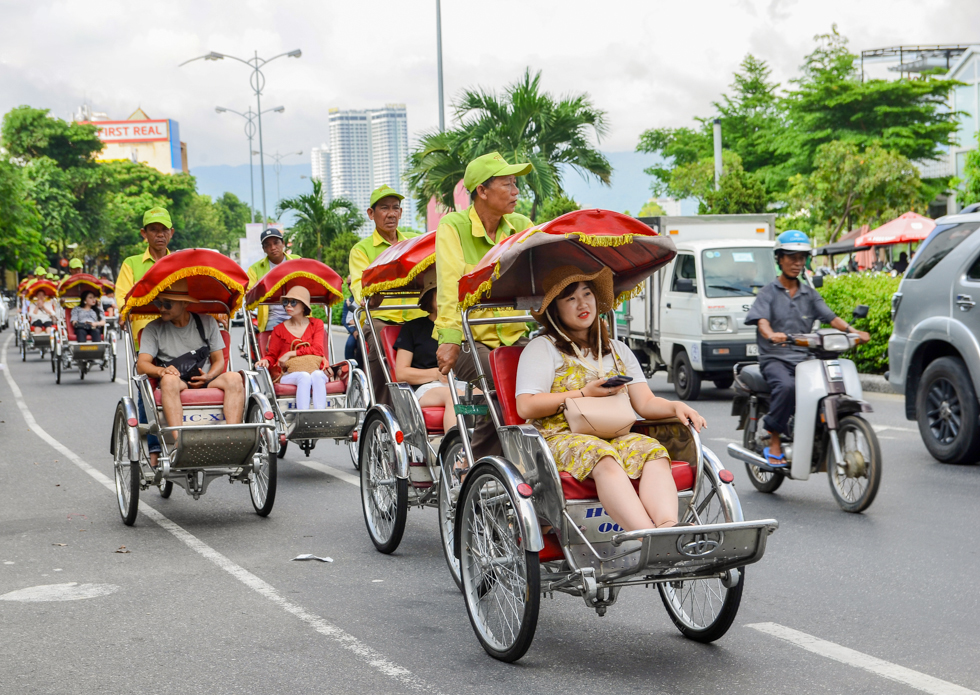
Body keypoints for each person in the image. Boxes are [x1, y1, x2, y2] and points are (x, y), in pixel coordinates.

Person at [515, 266, 706, 532]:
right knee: (603, 456)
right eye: (570, 298)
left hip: (614, 433)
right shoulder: (543, 348)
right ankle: (646, 538)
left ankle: (667, 530)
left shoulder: (618, 350)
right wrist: (583, 393)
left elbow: (645, 404)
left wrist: (676, 406)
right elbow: (526, 405)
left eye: (587, 293)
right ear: (554, 310)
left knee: (653, 451)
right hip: (557, 438)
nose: (582, 303)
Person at [435, 152, 536, 459]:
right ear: (482, 191)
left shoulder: (521, 224)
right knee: (502, 378)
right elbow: (451, 285)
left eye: (516, 183)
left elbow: (539, 277)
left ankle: (528, 458)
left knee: (548, 377)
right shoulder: (452, 226)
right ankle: (475, 463)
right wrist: (450, 340)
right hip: (469, 338)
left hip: (513, 336)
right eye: (508, 184)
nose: (517, 191)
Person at [745, 230, 870, 467]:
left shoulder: (809, 294)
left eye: (802, 258)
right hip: (775, 358)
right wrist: (772, 335)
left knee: (828, 387)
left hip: (804, 358)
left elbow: (832, 318)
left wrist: (854, 333)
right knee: (786, 386)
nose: (797, 263)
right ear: (779, 259)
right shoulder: (768, 293)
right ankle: (773, 439)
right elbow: (762, 322)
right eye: (791, 257)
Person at [137, 278, 243, 465]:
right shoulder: (153, 329)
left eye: (167, 304)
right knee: (168, 381)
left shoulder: (207, 322)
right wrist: (162, 371)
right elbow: (142, 364)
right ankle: (179, 442)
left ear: (184, 303)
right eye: (158, 303)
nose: (161, 308)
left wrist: (209, 376)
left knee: (235, 378)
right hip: (177, 379)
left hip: (207, 376)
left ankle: (231, 440)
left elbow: (218, 360)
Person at [348, 185, 424, 405]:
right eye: (384, 208)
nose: (391, 213)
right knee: (381, 340)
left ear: (400, 213)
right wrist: (369, 296)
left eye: (395, 208)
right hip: (381, 317)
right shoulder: (362, 249)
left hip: (416, 317)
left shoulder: (413, 241)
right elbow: (359, 286)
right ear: (371, 214)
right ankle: (381, 407)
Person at [393, 272, 478, 433]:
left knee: (485, 396)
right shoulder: (413, 328)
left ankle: (481, 447)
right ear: (430, 299)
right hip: (425, 388)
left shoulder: (463, 327)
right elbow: (401, 373)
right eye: (442, 294)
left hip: (459, 383)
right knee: (455, 396)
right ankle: (457, 452)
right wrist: (436, 374)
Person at [255, 286, 334, 410]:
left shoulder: (316, 324)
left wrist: (291, 353)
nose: (288, 306)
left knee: (317, 375)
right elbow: (272, 356)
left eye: (293, 302)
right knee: (304, 376)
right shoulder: (279, 330)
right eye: (286, 302)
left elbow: (318, 350)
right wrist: (265, 360)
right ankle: (304, 418)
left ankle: (320, 416)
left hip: (315, 368)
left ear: (304, 306)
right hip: (288, 373)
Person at [247, 227, 301, 333]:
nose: (273, 247)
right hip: (273, 318)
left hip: (299, 314)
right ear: (264, 249)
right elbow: (249, 294)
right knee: (273, 344)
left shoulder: (298, 261)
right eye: (268, 245)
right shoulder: (255, 269)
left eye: (276, 243)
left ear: (283, 243)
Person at [341, 276, 363, 365]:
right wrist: (353, 331)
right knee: (349, 345)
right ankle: (350, 367)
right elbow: (344, 320)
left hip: (366, 329)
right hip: (355, 330)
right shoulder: (348, 301)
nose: (350, 287)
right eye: (348, 284)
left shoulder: (365, 298)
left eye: (352, 283)